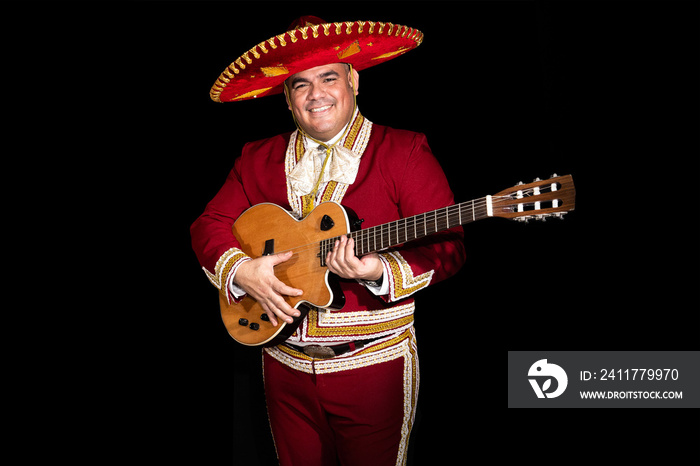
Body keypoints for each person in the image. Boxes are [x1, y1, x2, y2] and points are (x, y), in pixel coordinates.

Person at [191, 16, 466, 466]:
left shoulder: (405, 151)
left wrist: (379, 270)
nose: (316, 94)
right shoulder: (256, 157)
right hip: (282, 366)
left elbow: (450, 248)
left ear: (354, 81)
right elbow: (208, 224)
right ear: (287, 97)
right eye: (300, 84)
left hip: (374, 366)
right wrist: (243, 270)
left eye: (328, 77)